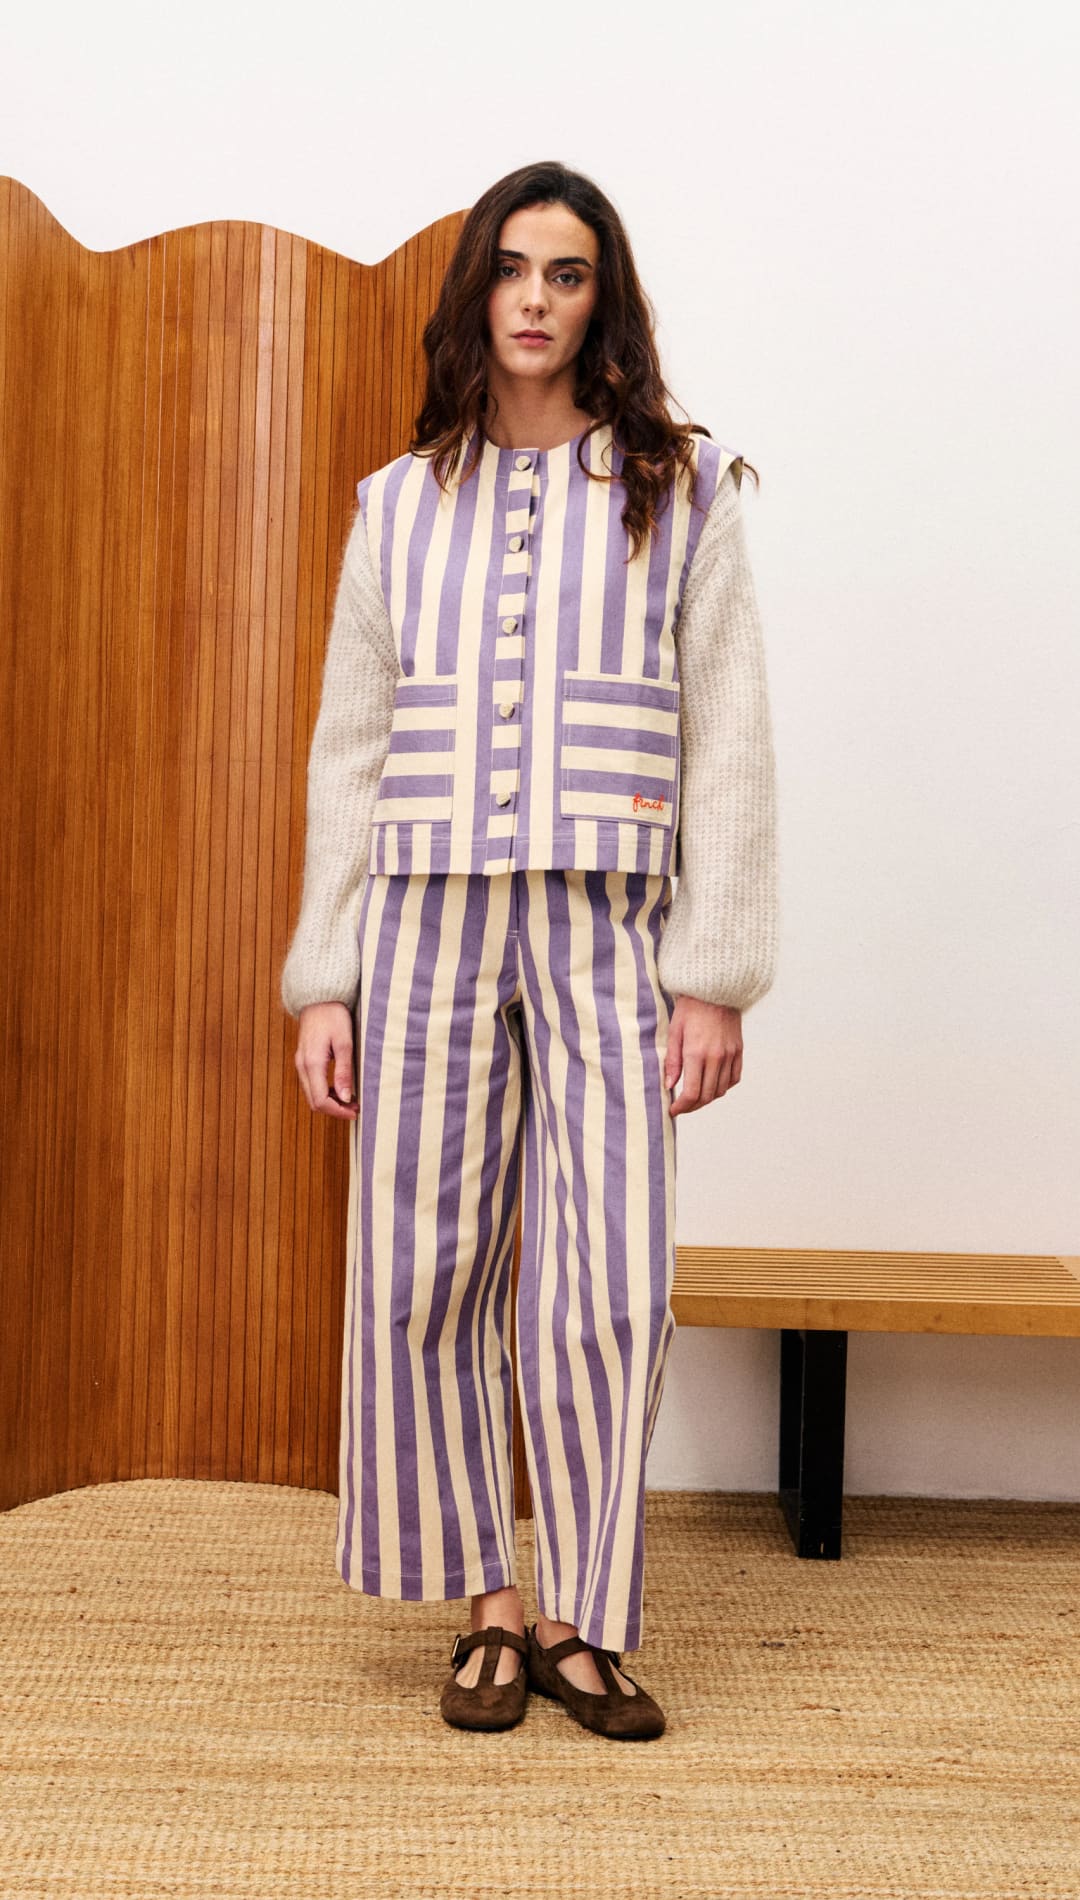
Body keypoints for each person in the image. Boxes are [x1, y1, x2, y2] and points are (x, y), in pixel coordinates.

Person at [279, 160, 778, 1741]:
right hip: (425, 920)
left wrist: (715, 971)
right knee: (422, 1264)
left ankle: (581, 1616)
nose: (537, 300)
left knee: (606, 1281)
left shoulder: (680, 492)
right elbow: (351, 751)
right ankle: (485, 1602)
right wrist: (325, 977)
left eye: (566, 273)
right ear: (475, 295)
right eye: (511, 269)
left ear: (601, 297)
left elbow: (730, 735)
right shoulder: (398, 504)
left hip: (606, 924)